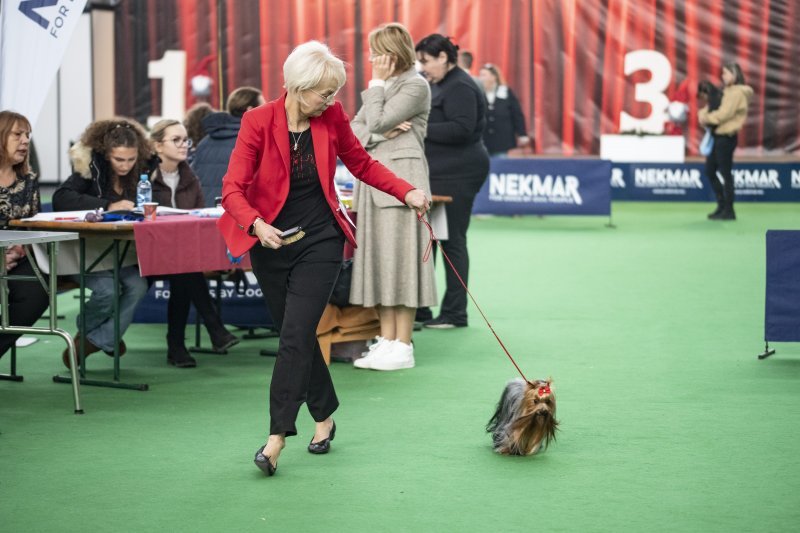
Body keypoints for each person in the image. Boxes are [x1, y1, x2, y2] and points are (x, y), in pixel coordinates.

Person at [218, 40, 430, 476]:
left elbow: (361, 163)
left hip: (320, 239)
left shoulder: (331, 118)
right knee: (296, 337)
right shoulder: (258, 121)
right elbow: (232, 190)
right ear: (298, 87)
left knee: (295, 336)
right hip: (271, 244)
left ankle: (276, 438)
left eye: (335, 92)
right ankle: (325, 416)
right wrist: (256, 225)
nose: (333, 101)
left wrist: (405, 190)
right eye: (325, 93)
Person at [348, 23, 437, 371]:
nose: (371, 58)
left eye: (375, 52)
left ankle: (403, 344)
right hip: (372, 182)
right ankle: (386, 340)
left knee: (402, 262)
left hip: (404, 184)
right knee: (380, 262)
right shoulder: (386, 88)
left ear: (391, 53)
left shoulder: (414, 85)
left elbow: (376, 118)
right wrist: (381, 131)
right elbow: (356, 131)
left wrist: (375, 91)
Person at [52, 118, 152, 368]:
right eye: (119, 160)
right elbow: (61, 199)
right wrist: (107, 205)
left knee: (138, 285)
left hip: (118, 252)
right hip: (83, 252)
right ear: (106, 154)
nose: (126, 165)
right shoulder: (88, 168)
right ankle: (104, 337)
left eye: (131, 159)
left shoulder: (143, 169)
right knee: (107, 291)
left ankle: (96, 339)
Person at [149, 119, 239, 368]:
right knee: (185, 269)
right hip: (148, 250)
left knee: (184, 271)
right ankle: (213, 328)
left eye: (185, 140)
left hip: (181, 253)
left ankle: (177, 345)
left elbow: (197, 222)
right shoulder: (144, 178)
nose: (183, 145)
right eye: (175, 140)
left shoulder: (191, 178)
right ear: (157, 146)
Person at [415, 34, 490, 329]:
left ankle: (455, 313)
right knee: (432, 240)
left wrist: (420, 127)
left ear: (444, 57)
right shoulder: (442, 83)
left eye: (426, 60)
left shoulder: (460, 85)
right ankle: (422, 308)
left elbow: (462, 128)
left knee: (451, 241)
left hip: (460, 173)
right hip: (442, 172)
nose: (422, 67)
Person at [0, 111, 49, 359]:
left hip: (18, 256)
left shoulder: (29, 179)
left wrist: (21, 248)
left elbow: (34, 223)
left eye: (27, 135)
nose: (25, 140)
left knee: (37, 294)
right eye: (17, 134)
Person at [192, 86, 264, 206]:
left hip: (206, 212)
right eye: (264, 106)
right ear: (250, 110)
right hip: (239, 214)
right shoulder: (254, 141)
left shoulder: (204, 142)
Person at [698, 62, 753, 221]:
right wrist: (704, 114)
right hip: (718, 136)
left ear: (735, 75)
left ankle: (729, 209)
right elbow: (712, 107)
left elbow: (723, 114)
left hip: (726, 138)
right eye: (722, 74)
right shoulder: (726, 91)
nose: (723, 77)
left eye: (726, 73)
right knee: (710, 171)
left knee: (725, 173)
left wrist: (704, 117)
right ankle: (722, 206)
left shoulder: (737, 93)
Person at [478, 63, 529, 155]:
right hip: (482, 141)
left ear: (494, 77)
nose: (480, 78)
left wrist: (522, 134)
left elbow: (516, 114)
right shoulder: (477, 93)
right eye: (480, 75)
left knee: (500, 166)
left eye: (484, 75)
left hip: (501, 141)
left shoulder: (506, 91)